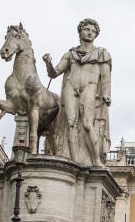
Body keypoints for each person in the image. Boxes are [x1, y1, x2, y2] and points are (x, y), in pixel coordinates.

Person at [43, 18, 112, 167]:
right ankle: (73, 162)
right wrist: (48, 62)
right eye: (87, 29)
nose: (89, 32)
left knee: (88, 124)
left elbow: (106, 77)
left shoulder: (102, 54)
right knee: (70, 124)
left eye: (93, 31)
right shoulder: (70, 54)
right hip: (70, 86)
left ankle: (96, 160)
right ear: (80, 31)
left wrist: (106, 94)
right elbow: (54, 73)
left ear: (96, 35)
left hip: (90, 88)